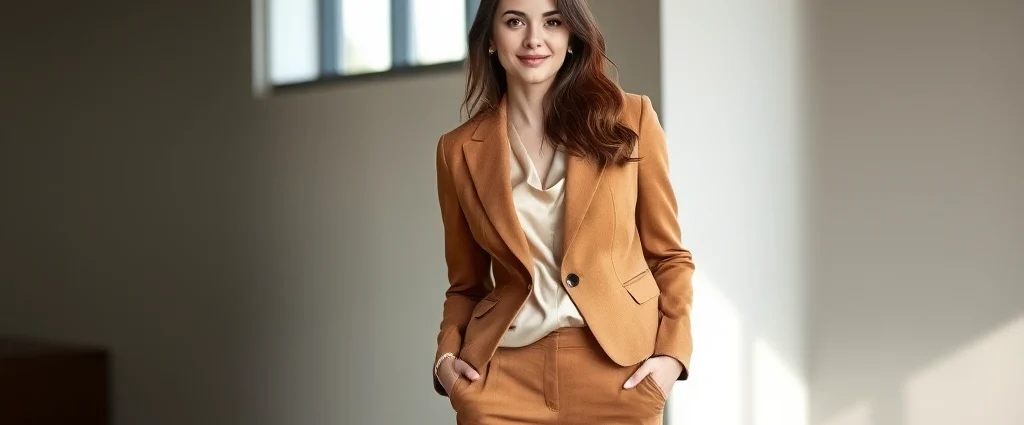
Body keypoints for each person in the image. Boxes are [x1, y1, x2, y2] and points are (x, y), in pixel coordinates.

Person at [431, 0, 694, 423]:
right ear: (491, 40)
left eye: (552, 22)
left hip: (617, 376)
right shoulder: (458, 150)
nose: (534, 38)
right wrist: (446, 359)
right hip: (502, 379)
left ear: (572, 36)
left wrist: (671, 356)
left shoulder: (631, 119)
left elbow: (669, 257)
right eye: (515, 21)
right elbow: (465, 285)